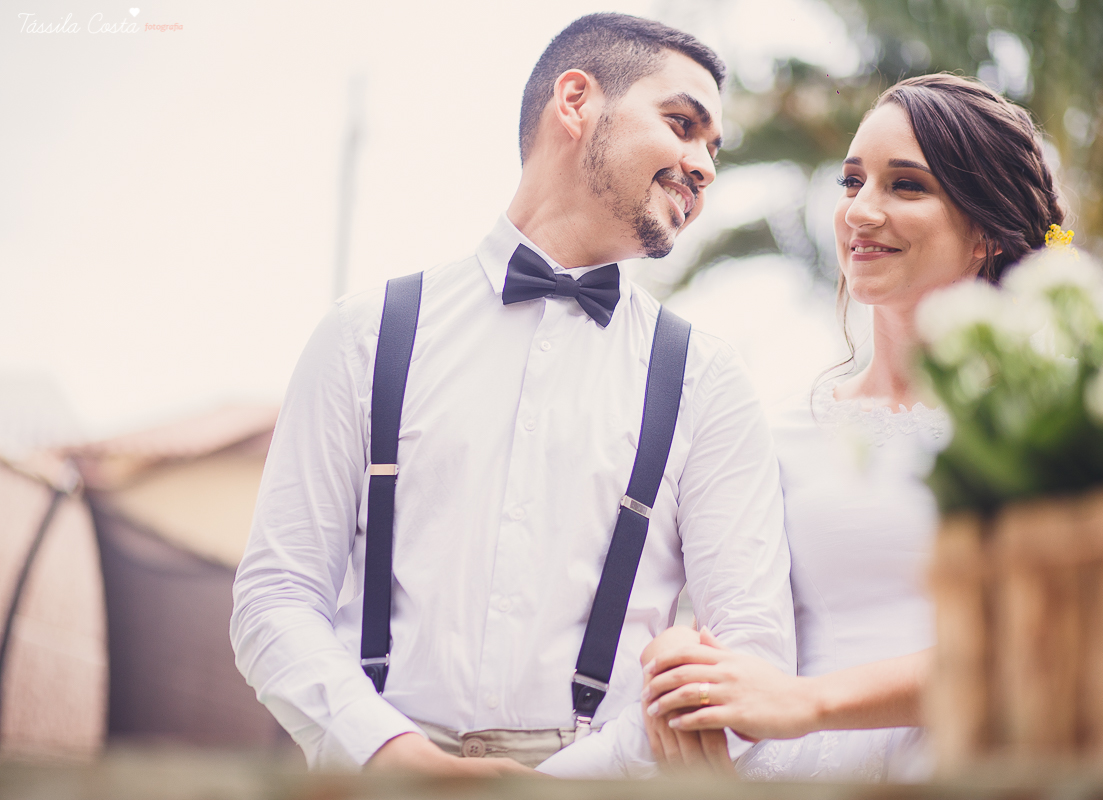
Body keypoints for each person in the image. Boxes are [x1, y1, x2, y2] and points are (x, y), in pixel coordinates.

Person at [230, 13, 795, 777]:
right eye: (681, 124)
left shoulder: (709, 382)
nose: (703, 165)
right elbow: (274, 597)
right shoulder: (365, 335)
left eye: (712, 148)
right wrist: (391, 754)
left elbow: (751, 658)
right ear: (575, 101)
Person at [636, 73, 1067, 781]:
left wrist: (808, 702)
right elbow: (727, 634)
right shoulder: (770, 432)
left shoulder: (1047, 430)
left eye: (906, 185)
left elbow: (1048, 643)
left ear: (987, 230)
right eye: (851, 181)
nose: (861, 211)